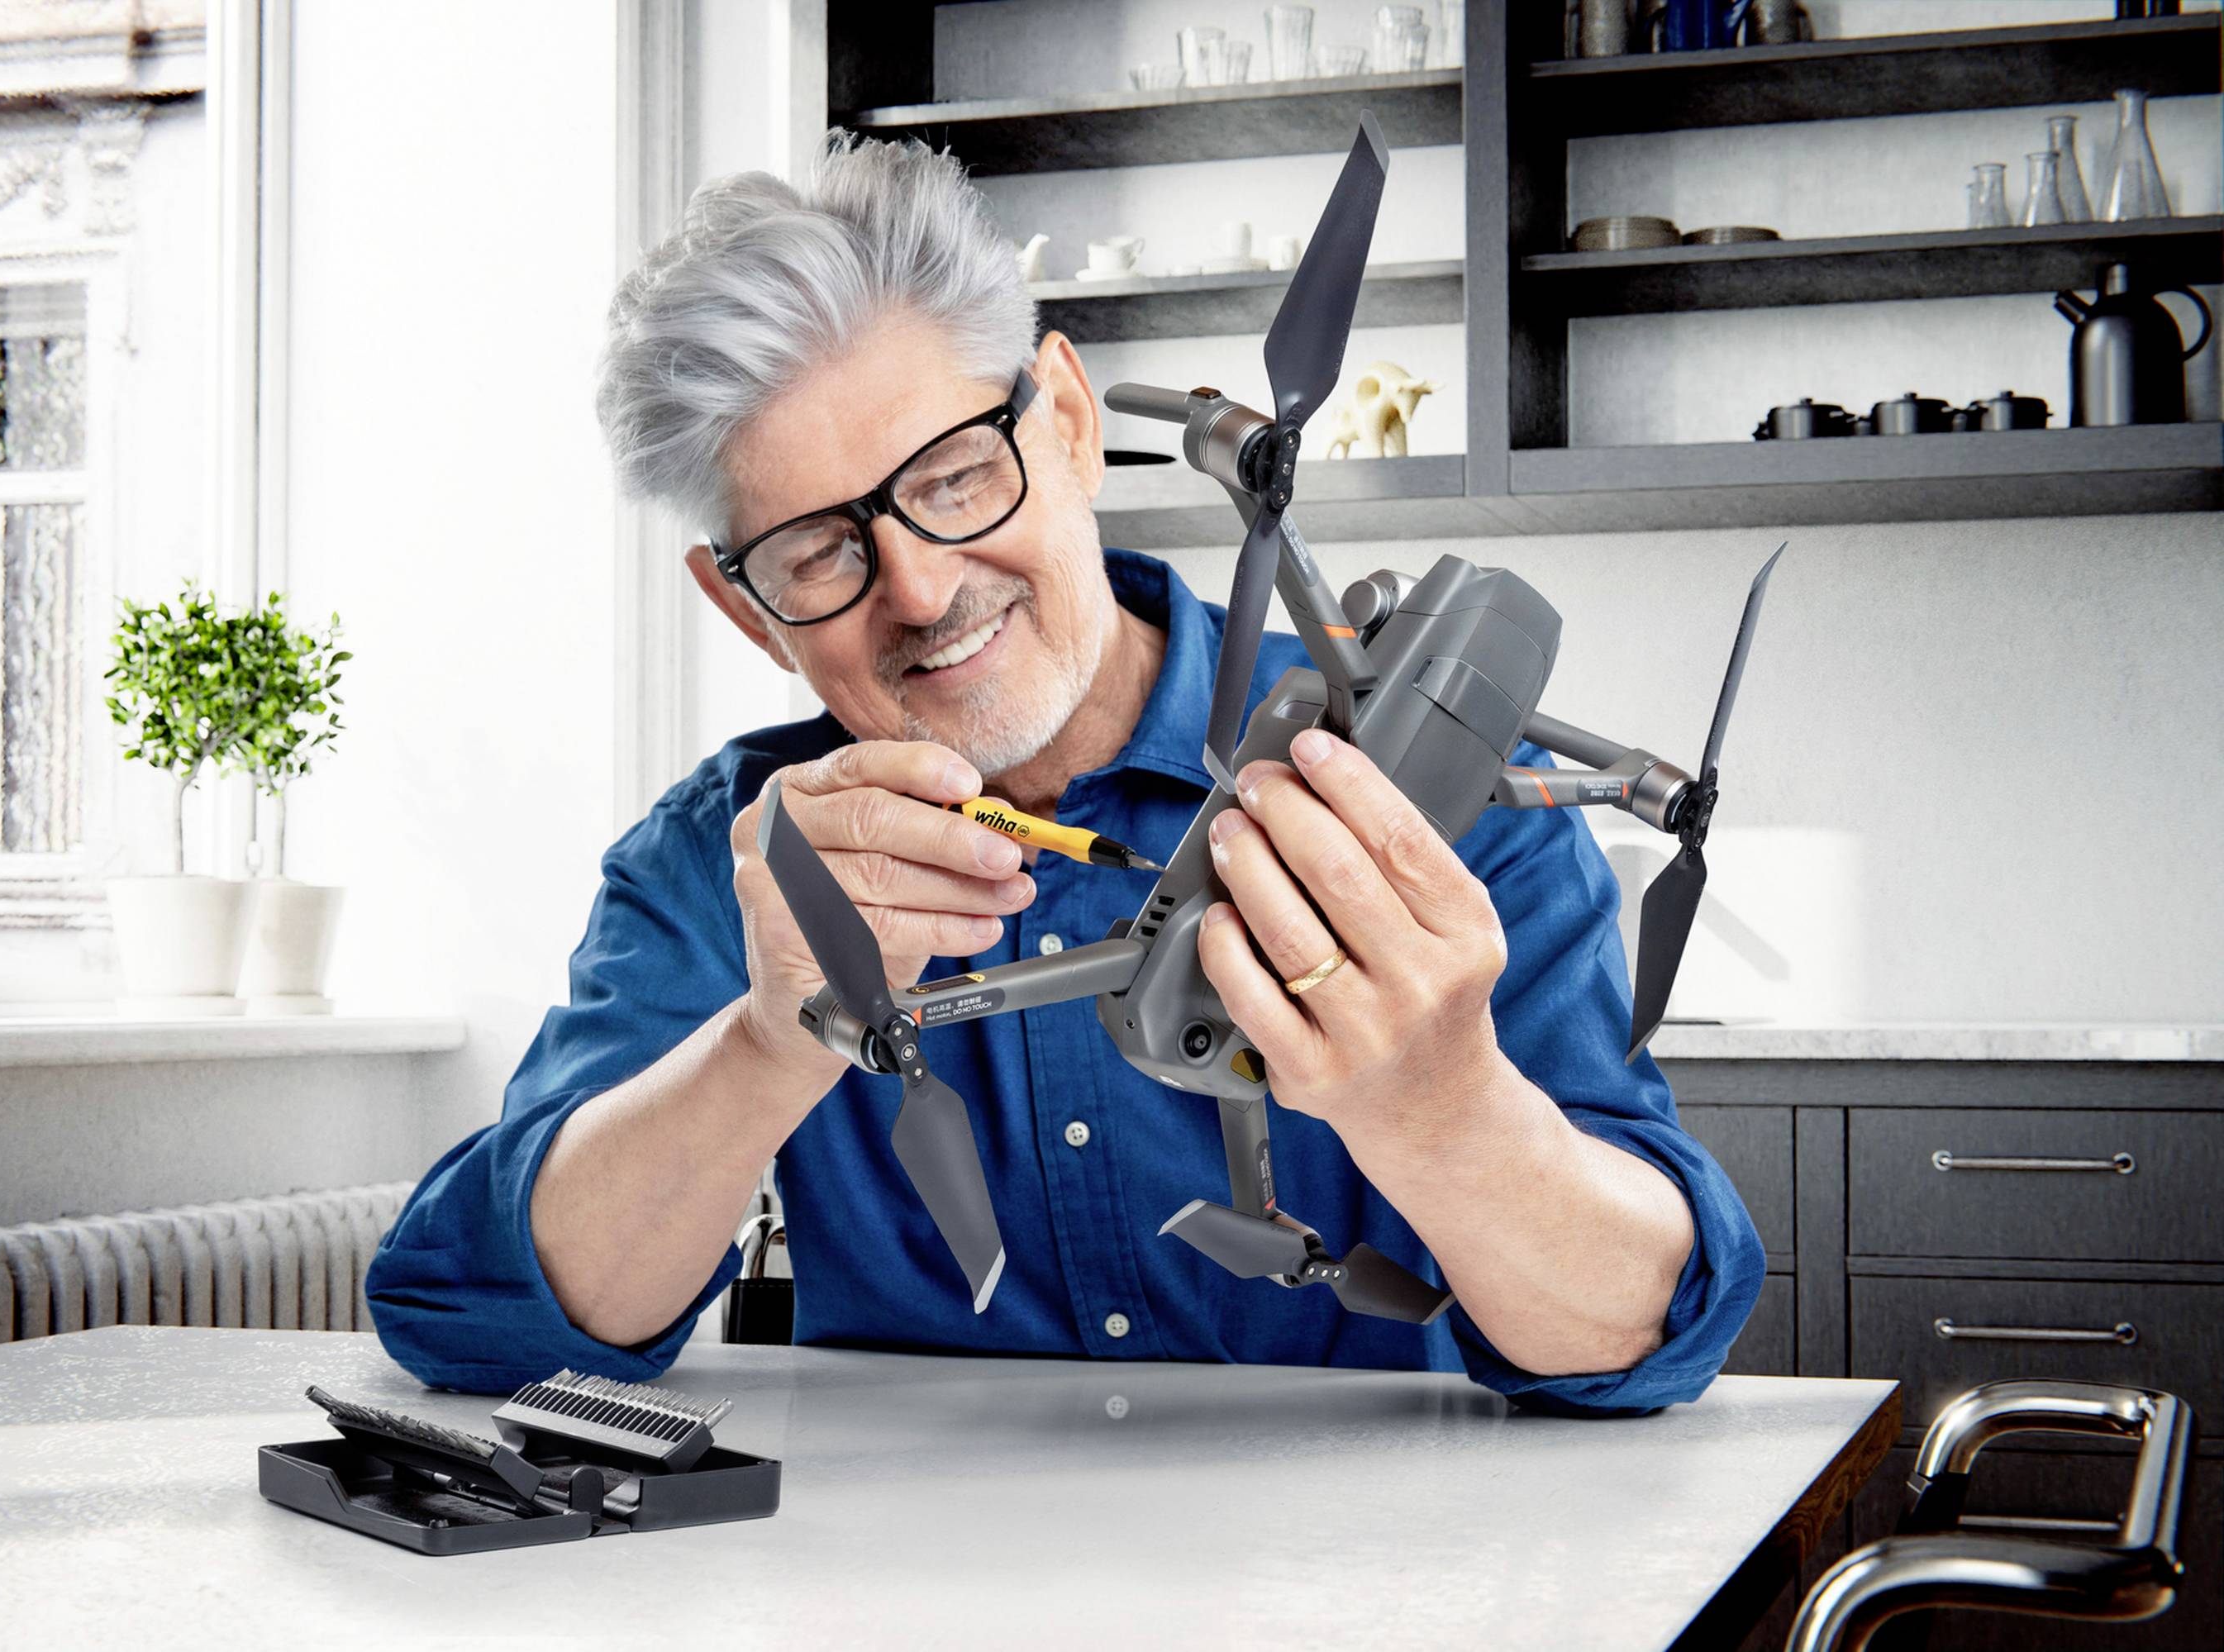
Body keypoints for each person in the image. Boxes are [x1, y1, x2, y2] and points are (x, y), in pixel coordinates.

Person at [366, 135, 1764, 1415]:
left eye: (958, 475)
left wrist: (1442, 1110)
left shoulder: (1430, 798)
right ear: (747, 610)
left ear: (1073, 423)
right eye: (814, 553)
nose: (917, 588)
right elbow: (466, 1320)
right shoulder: (724, 864)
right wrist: (769, 1041)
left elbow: (1653, 1330)